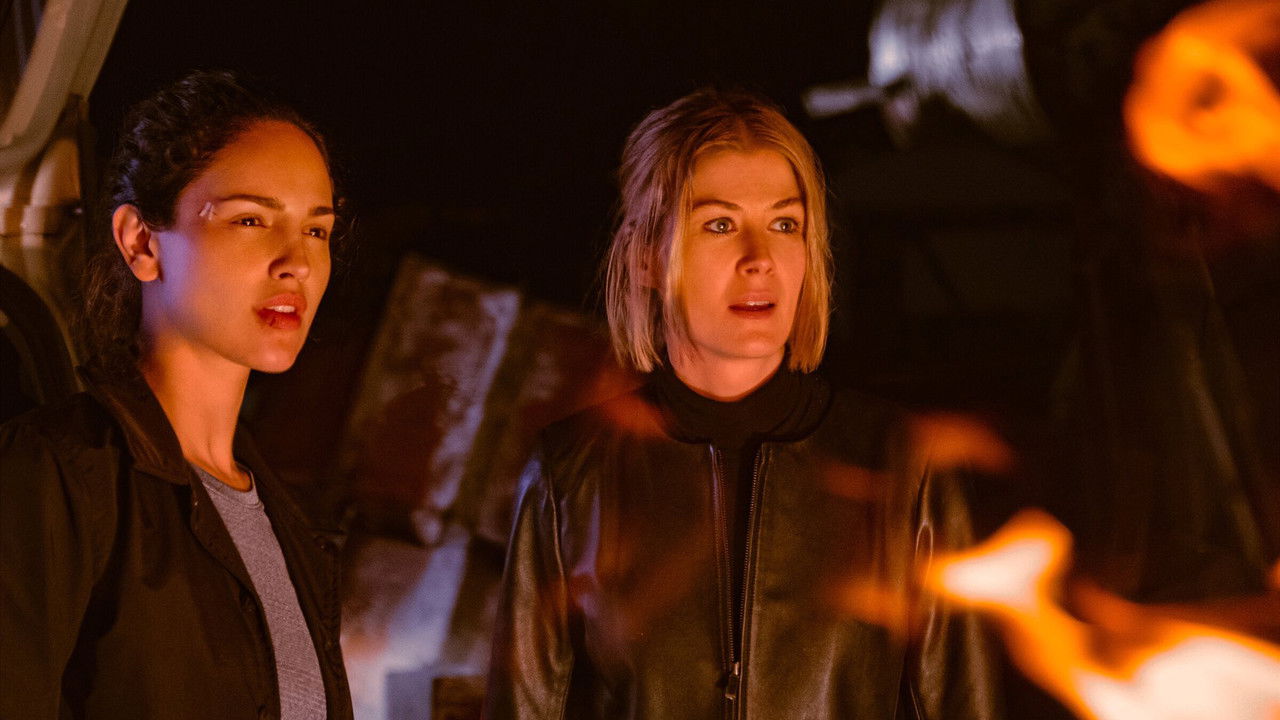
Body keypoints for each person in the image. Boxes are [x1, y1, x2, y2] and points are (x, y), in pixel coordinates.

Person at [485, 89, 1001, 719]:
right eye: (720, 225)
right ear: (647, 257)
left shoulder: (899, 464)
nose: (760, 260)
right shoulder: (571, 476)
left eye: (785, 224)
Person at [0, 70, 353, 719]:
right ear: (141, 242)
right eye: (251, 219)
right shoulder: (56, 478)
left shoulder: (289, 525)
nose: (297, 263)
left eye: (316, 230)